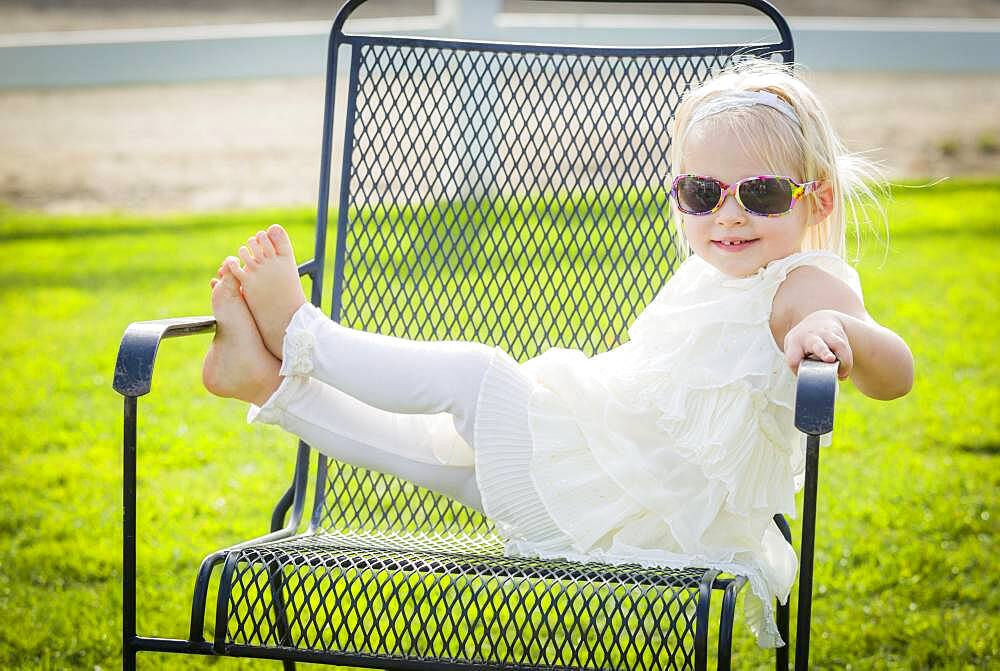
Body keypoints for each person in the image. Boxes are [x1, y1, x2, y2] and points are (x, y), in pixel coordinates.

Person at [201, 59, 914, 648]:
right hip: (596, 493)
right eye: (702, 192)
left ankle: (301, 331)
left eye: (760, 194)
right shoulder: (718, 271)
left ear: (815, 202)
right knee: (427, 446)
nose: (728, 214)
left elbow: (896, 370)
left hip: (626, 513)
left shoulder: (801, 283)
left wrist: (839, 335)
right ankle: (266, 383)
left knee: (476, 375)